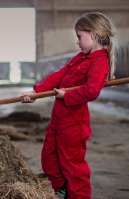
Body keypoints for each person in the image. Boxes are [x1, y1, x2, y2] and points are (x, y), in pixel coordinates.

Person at [21, 12, 116, 199]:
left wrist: (67, 96)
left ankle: (78, 196)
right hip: (59, 118)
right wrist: (37, 92)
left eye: (80, 36)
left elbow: (92, 90)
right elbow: (59, 75)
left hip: (74, 122)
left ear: (93, 34)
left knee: (72, 165)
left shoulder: (99, 62)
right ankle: (63, 191)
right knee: (48, 158)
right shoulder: (81, 57)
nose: (78, 41)